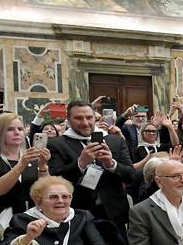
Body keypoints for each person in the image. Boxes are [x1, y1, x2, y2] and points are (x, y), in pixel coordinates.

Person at [47, 101, 136, 236]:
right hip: (78, 214)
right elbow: (56, 180)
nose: (85, 123)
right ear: (68, 120)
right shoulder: (56, 144)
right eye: (78, 118)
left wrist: (111, 164)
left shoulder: (115, 141)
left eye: (89, 117)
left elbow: (131, 176)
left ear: (95, 118)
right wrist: (81, 163)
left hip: (114, 214)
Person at [0, 113, 51, 245]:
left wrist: (42, 166)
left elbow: (47, 190)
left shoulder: (32, 158)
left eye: (20, 129)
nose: (17, 132)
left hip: (33, 220)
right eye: (10, 129)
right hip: (1, 226)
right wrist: (21, 165)